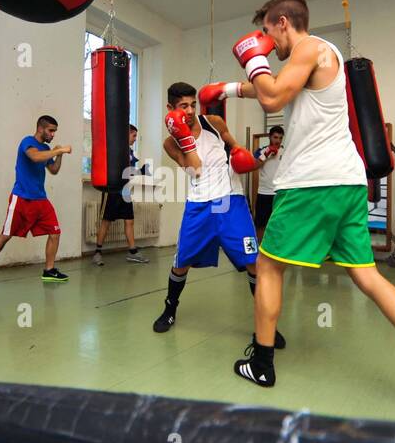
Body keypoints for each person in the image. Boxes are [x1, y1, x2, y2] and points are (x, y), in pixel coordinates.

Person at [215, 0, 395, 409]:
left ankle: (261, 363)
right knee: (367, 275)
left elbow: (272, 96)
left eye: (266, 32)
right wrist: (223, 88)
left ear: (283, 23)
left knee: (267, 265)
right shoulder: (315, 60)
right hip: (347, 182)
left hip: (312, 184)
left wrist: (251, 57)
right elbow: (267, 90)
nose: (265, 43)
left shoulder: (309, 47)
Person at [152, 82, 285, 349]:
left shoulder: (213, 122)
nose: (189, 111)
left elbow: (236, 148)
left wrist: (239, 155)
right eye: (183, 107)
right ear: (170, 109)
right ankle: (170, 309)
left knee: (253, 263)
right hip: (199, 205)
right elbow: (194, 167)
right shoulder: (169, 142)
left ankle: (266, 325)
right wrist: (183, 136)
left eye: (192, 105)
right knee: (181, 262)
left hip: (231, 201)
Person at [0, 114, 71, 285]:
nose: (53, 134)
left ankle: (49, 270)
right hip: (21, 198)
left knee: (55, 233)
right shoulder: (27, 142)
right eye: (51, 131)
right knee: (6, 235)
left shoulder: (45, 149)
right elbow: (35, 157)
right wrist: (58, 150)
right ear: (40, 128)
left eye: (55, 131)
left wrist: (59, 156)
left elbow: (54, 170)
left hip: (41, 200)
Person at [92, 124, 151, 265]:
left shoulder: (130, 152)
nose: (135, 139)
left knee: (129, 221)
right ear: (125, 134)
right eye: (133, 135)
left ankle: (132, 252)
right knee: (106, 222)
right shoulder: (115, 149)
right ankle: (97, 253)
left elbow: (128, 171)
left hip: (125, 192)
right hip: (111, 191)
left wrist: (141, 171)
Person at [252, 125, 284, 240]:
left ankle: (277, 251)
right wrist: (266, 154)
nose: (278, 141)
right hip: (264, 193)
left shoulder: (285, 152)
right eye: (275, 137)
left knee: (279, 224)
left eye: (280, 138)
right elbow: (254, 166)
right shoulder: (261, 151)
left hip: (279, 193)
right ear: (270, 137)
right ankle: (260, 250)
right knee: (261, 224)